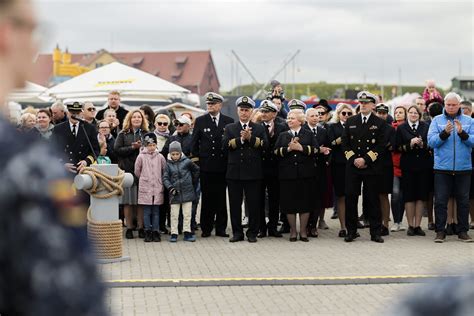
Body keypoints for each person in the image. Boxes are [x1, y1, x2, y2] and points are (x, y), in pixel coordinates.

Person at [0, 0, 106, 313]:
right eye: (34, 31)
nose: (35, 45)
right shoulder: (24, 165)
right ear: (6, 33)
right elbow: (69, 295)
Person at [428, 92, 474, 243]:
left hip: (463, 168)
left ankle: (463, 231)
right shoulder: (436, 120)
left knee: (463, 201)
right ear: (444, 105)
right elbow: (431, 142)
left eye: (454, 105)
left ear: (459, 105)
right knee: (440, 201)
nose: (451, 107)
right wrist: (444, 133)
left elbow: (473, 142)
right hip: (442, 168)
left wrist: (462, 133)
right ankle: (440, 231)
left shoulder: (469, 121)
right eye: (448, 104)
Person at [342, 91, 386, 243]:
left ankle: (375, 232)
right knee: (351, 198)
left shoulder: (379, 123)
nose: (363, 105)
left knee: (373, 199)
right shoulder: (351, 121)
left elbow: (381, 146)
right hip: (353, 166)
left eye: (366, 103)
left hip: (371, 166)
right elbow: (345, 143)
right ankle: (351, 231)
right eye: (361, 102)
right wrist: (354, 159)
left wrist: (366, 159)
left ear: (373, 105)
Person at [223, 96, 267, 243]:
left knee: (254, 204)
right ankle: (237, 233)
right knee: (235, 204)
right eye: (241, 110)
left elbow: (265, 147)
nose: (244, 112)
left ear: (251, 111)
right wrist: (241, 139)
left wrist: (251, 138)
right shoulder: (230, 128)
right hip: (234, 173)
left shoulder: (259, 128)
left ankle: (252, 232)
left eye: (247, 110)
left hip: (253, 173)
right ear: (237, 111)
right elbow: (225, 146)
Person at [191, 92, 234, 238]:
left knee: (221, 198)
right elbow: (194, 143)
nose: (210, 106)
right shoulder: (201, 121)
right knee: (208, 199)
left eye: (213, 104)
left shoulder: (228, 121)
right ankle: (206, 228)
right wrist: (198, 162)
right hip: (207, 166)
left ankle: (221, 228)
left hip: (222, 166)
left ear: (220, 105)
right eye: (208, 104)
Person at [274, 109, 319, 242]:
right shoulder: (283, 135)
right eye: (288, 118)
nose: (289, 120)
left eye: (292, 118)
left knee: (305, 203)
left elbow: (316, 150)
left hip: (305, 174)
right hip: (287, 175)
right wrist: (288, 149)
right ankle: (293, 231)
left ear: (300, 120)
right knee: (289, 204)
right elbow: (276, 151)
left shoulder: (308, 134)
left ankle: (303, 231)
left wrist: (301, 148)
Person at [396, 105, 432, 237]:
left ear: (419, 114)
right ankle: (410, 225)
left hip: (423, 165)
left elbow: (431, 144)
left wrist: (423, 145)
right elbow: (397, 147)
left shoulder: (425, 126)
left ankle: (418, 225)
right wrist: (409, 144)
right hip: (408, 166)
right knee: (409, 195)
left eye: (416, 113)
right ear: (407, 114)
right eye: (411, 112)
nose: (413, 115)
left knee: (421, 195)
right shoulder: (401, 128)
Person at [114, 109, 149, 239]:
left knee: (140, 201)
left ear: (142, 119)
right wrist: (132, 148)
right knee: (128, 201)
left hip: (143, 172)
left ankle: (140, 227)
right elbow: (117, 150)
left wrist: (142, 147)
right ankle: (129, 227)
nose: (136, 119)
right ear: (129, 119)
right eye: (134, 117)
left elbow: (152, 149)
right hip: (127, 171)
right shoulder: (123, 134)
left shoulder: (146, 134)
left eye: (139, 117)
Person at [257, 100, 288, 238]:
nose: (263, 114)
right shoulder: (256, 127)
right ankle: (261, 228)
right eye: (262, 111)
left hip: (276, 168)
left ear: (274, 113)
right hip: (260, 168)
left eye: (267, 111)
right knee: (259, 199)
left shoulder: (282, 126)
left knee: (275, 199)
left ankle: (273, 227)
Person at [163, 141, 200, 242]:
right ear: (170, 154)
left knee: (187, 214)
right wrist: (170, 188)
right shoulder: (168, 165)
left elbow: (196, 170)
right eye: (173, 154)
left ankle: (187, 232)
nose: (175, 156)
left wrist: (192, 181)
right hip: (174, 193)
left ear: (180, 153)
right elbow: (165, 178)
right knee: (174, 214)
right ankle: (174, 233)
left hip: (187, 192)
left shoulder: (187, 161)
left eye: (177, 154)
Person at [328, 103, 355, 237]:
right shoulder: (332, 127)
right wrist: (343, 138)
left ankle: (352, 226)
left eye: (349, 114)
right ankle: (343, 226)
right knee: (341, 196)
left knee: (352, 195)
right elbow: (330, 143)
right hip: (338, 165)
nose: (346, 116)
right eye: (343, 113)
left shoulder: (356, 126)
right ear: (338, 114)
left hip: (353, 164)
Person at [51, 101, 100, 174]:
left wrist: (86, 161)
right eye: (72, 113)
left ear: (82, 113)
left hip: (84, 170)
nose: (75, 115)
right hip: (64, 171)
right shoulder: (58, 129)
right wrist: (62, 163)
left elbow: (95, 150)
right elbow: (53, 149)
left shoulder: (89, 128)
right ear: (67, 113)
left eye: (77, 113)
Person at [134, 133, 166, 243]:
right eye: (149, 145)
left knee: (156, 211)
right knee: (147, 211)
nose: (151, 147)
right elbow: (137, 171)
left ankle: (156, 231)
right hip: (146, 187)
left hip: (157, 187)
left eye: (153, 145)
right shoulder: (141, 157)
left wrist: (158, 180)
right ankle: (147, 231)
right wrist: (144, 178)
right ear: (145, 145)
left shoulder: (160, 157)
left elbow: (164, 170)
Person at [304, 108, 331, 237]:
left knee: (317, 198)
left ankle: (313, 226)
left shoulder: (323, 131)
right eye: (312, 116)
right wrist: (317, 150)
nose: (316, 117)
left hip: (320, 169)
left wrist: (326, 158)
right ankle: (306, 225)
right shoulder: (303, 131)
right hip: (306, 168)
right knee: (306, 198)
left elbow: (329, 147)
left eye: (317, 115)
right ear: (306, 118)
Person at [374, 103, 395, 236]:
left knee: (383, 195)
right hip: (371, 164)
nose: (381, 115)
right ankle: (374, 222)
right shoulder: (371, 127)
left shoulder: (390, 129)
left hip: (385, 165)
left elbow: (391, 146)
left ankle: (385, 224)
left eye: (384, 113)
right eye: (379, 112)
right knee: (372, 195)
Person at [390, 105, 407, 232]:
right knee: (395, 195)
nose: (398, 114)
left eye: (401, 112)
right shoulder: (391, 128)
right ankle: (396, 221)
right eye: (396, 112)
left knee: (404, 196)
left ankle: (400, 221)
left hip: (407, 166)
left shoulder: (408, 127)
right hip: (394, 166)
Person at [460, 101, 474, 228]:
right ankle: (472, 219)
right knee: (469, 194)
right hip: (465, 163)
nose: (463, 112)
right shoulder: (457, 123)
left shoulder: (471, 123)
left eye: (465, 109)